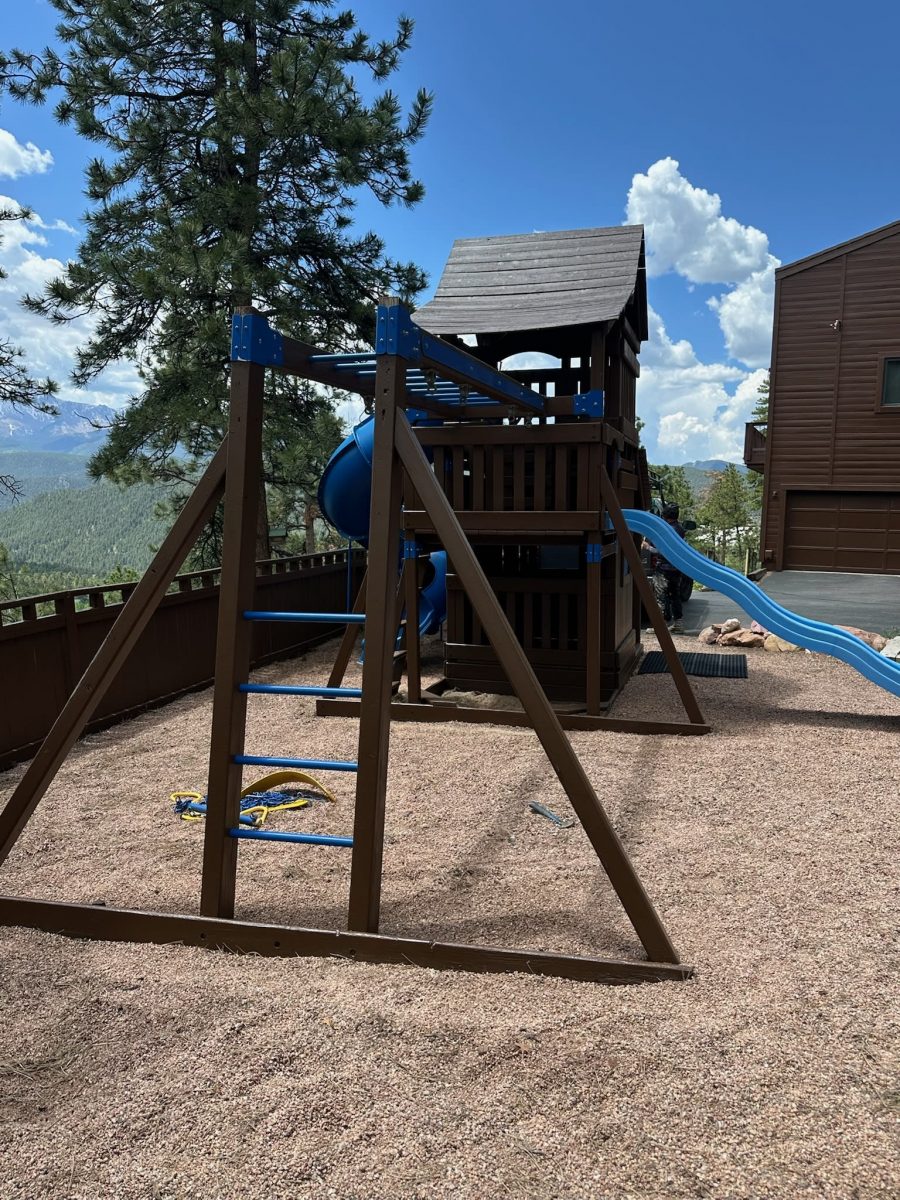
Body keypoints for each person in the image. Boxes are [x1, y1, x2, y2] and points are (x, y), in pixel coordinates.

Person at [642, 503, 688, 631]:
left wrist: (647, 547)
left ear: (664, 515)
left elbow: (662, 551)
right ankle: (678, 624)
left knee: (661, 596)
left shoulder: (666, 530)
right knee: (675, 596)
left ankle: (660, 626)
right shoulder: (680, 529)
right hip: (676, 568)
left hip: (663, 568)